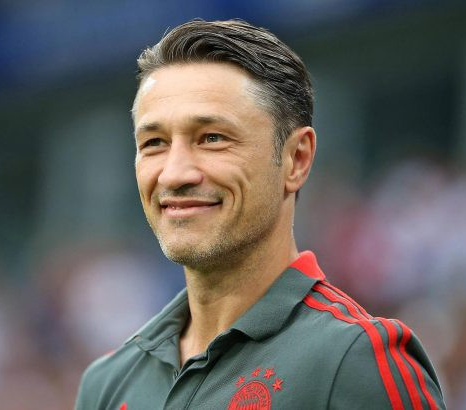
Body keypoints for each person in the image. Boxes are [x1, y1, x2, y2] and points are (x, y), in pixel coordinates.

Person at [75, 19, 445, 409]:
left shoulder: (355, 359)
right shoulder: (107, 384)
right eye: (154, 142)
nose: (174, 173)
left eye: (212, 138)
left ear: (296, 159)